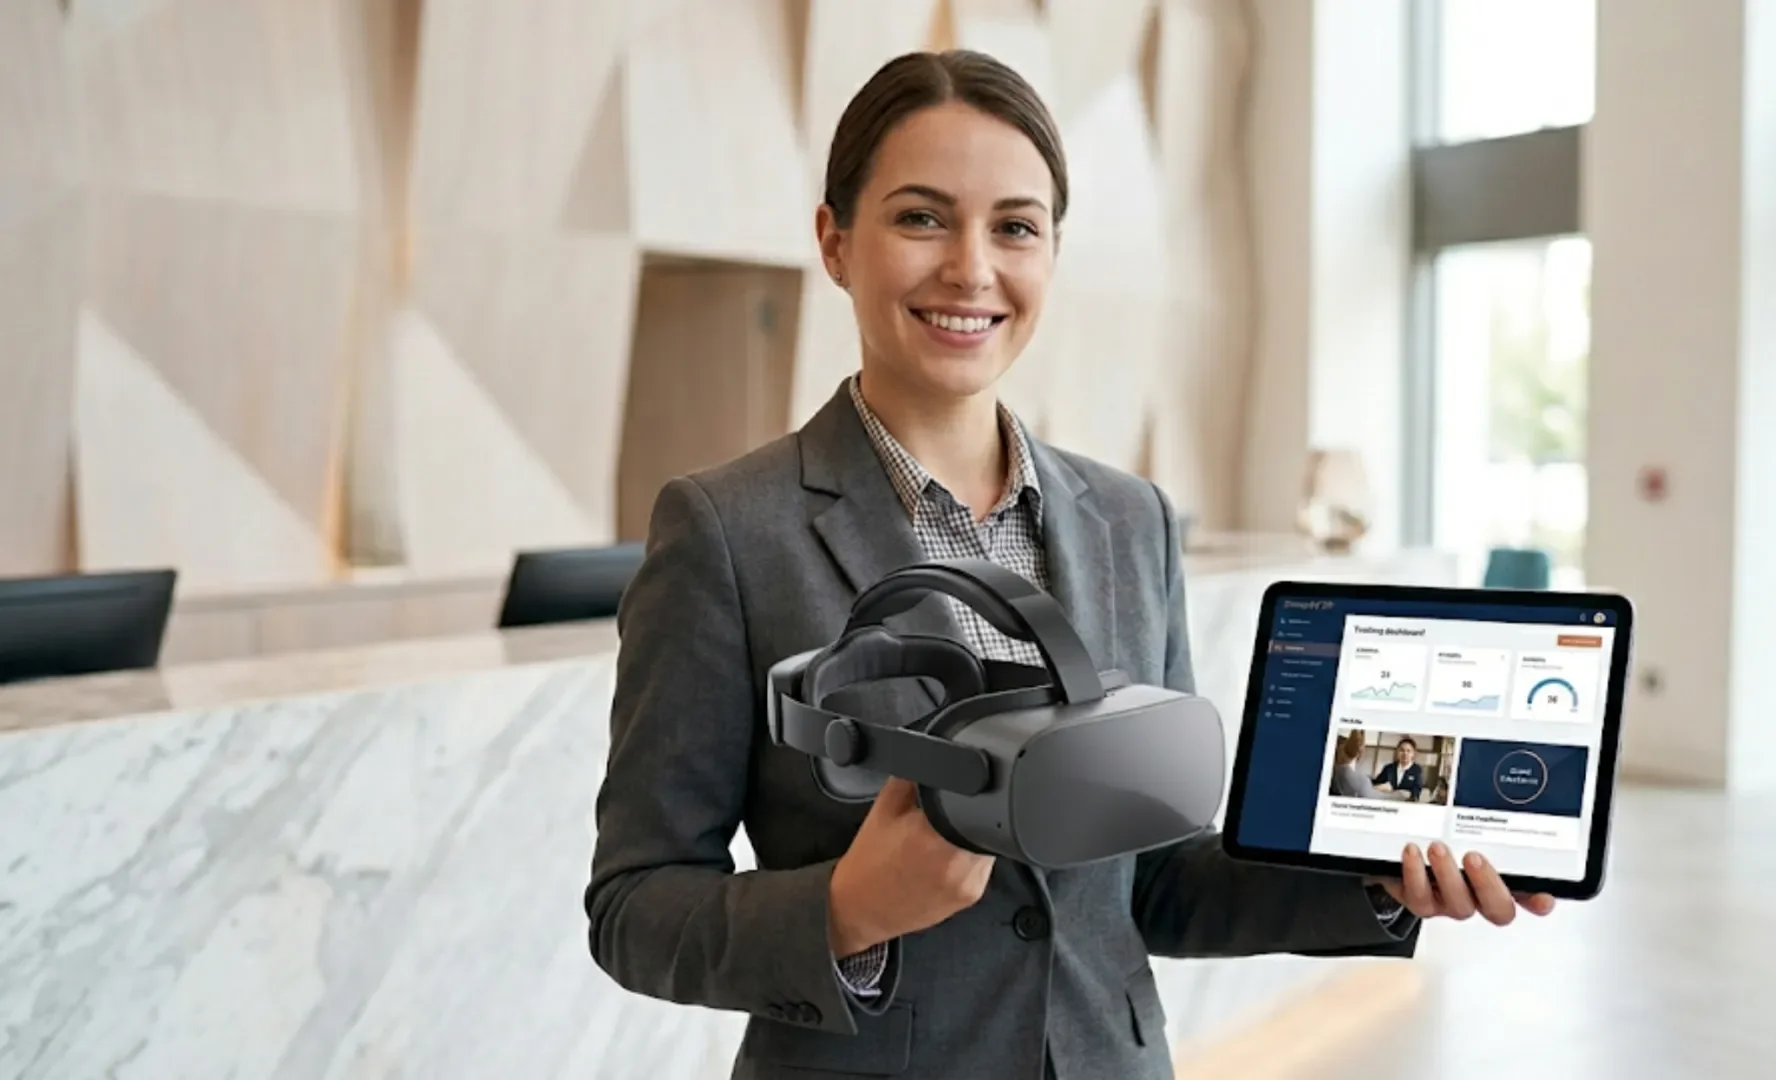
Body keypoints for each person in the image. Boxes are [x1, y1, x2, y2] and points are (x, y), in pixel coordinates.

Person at [583, 49, 1554, 1080]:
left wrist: (1375, 883)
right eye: (920, 217)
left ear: (1050, 250)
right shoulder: (729, 530)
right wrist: (846, 910)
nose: (971, 268)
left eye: (1015, 226)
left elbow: (1158, 877)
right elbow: (635, 903)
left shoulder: (1133, 520)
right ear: (835, 241)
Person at [1375, 736, 1426, 801]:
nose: (1405, 753)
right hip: (1386, 801)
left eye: (1408, 751)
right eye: (1402, 750)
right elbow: (1377, 783)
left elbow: (1416, 791)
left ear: (1413, 753)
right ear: (1397, 752)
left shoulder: (1417, 770)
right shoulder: (1388, 768)